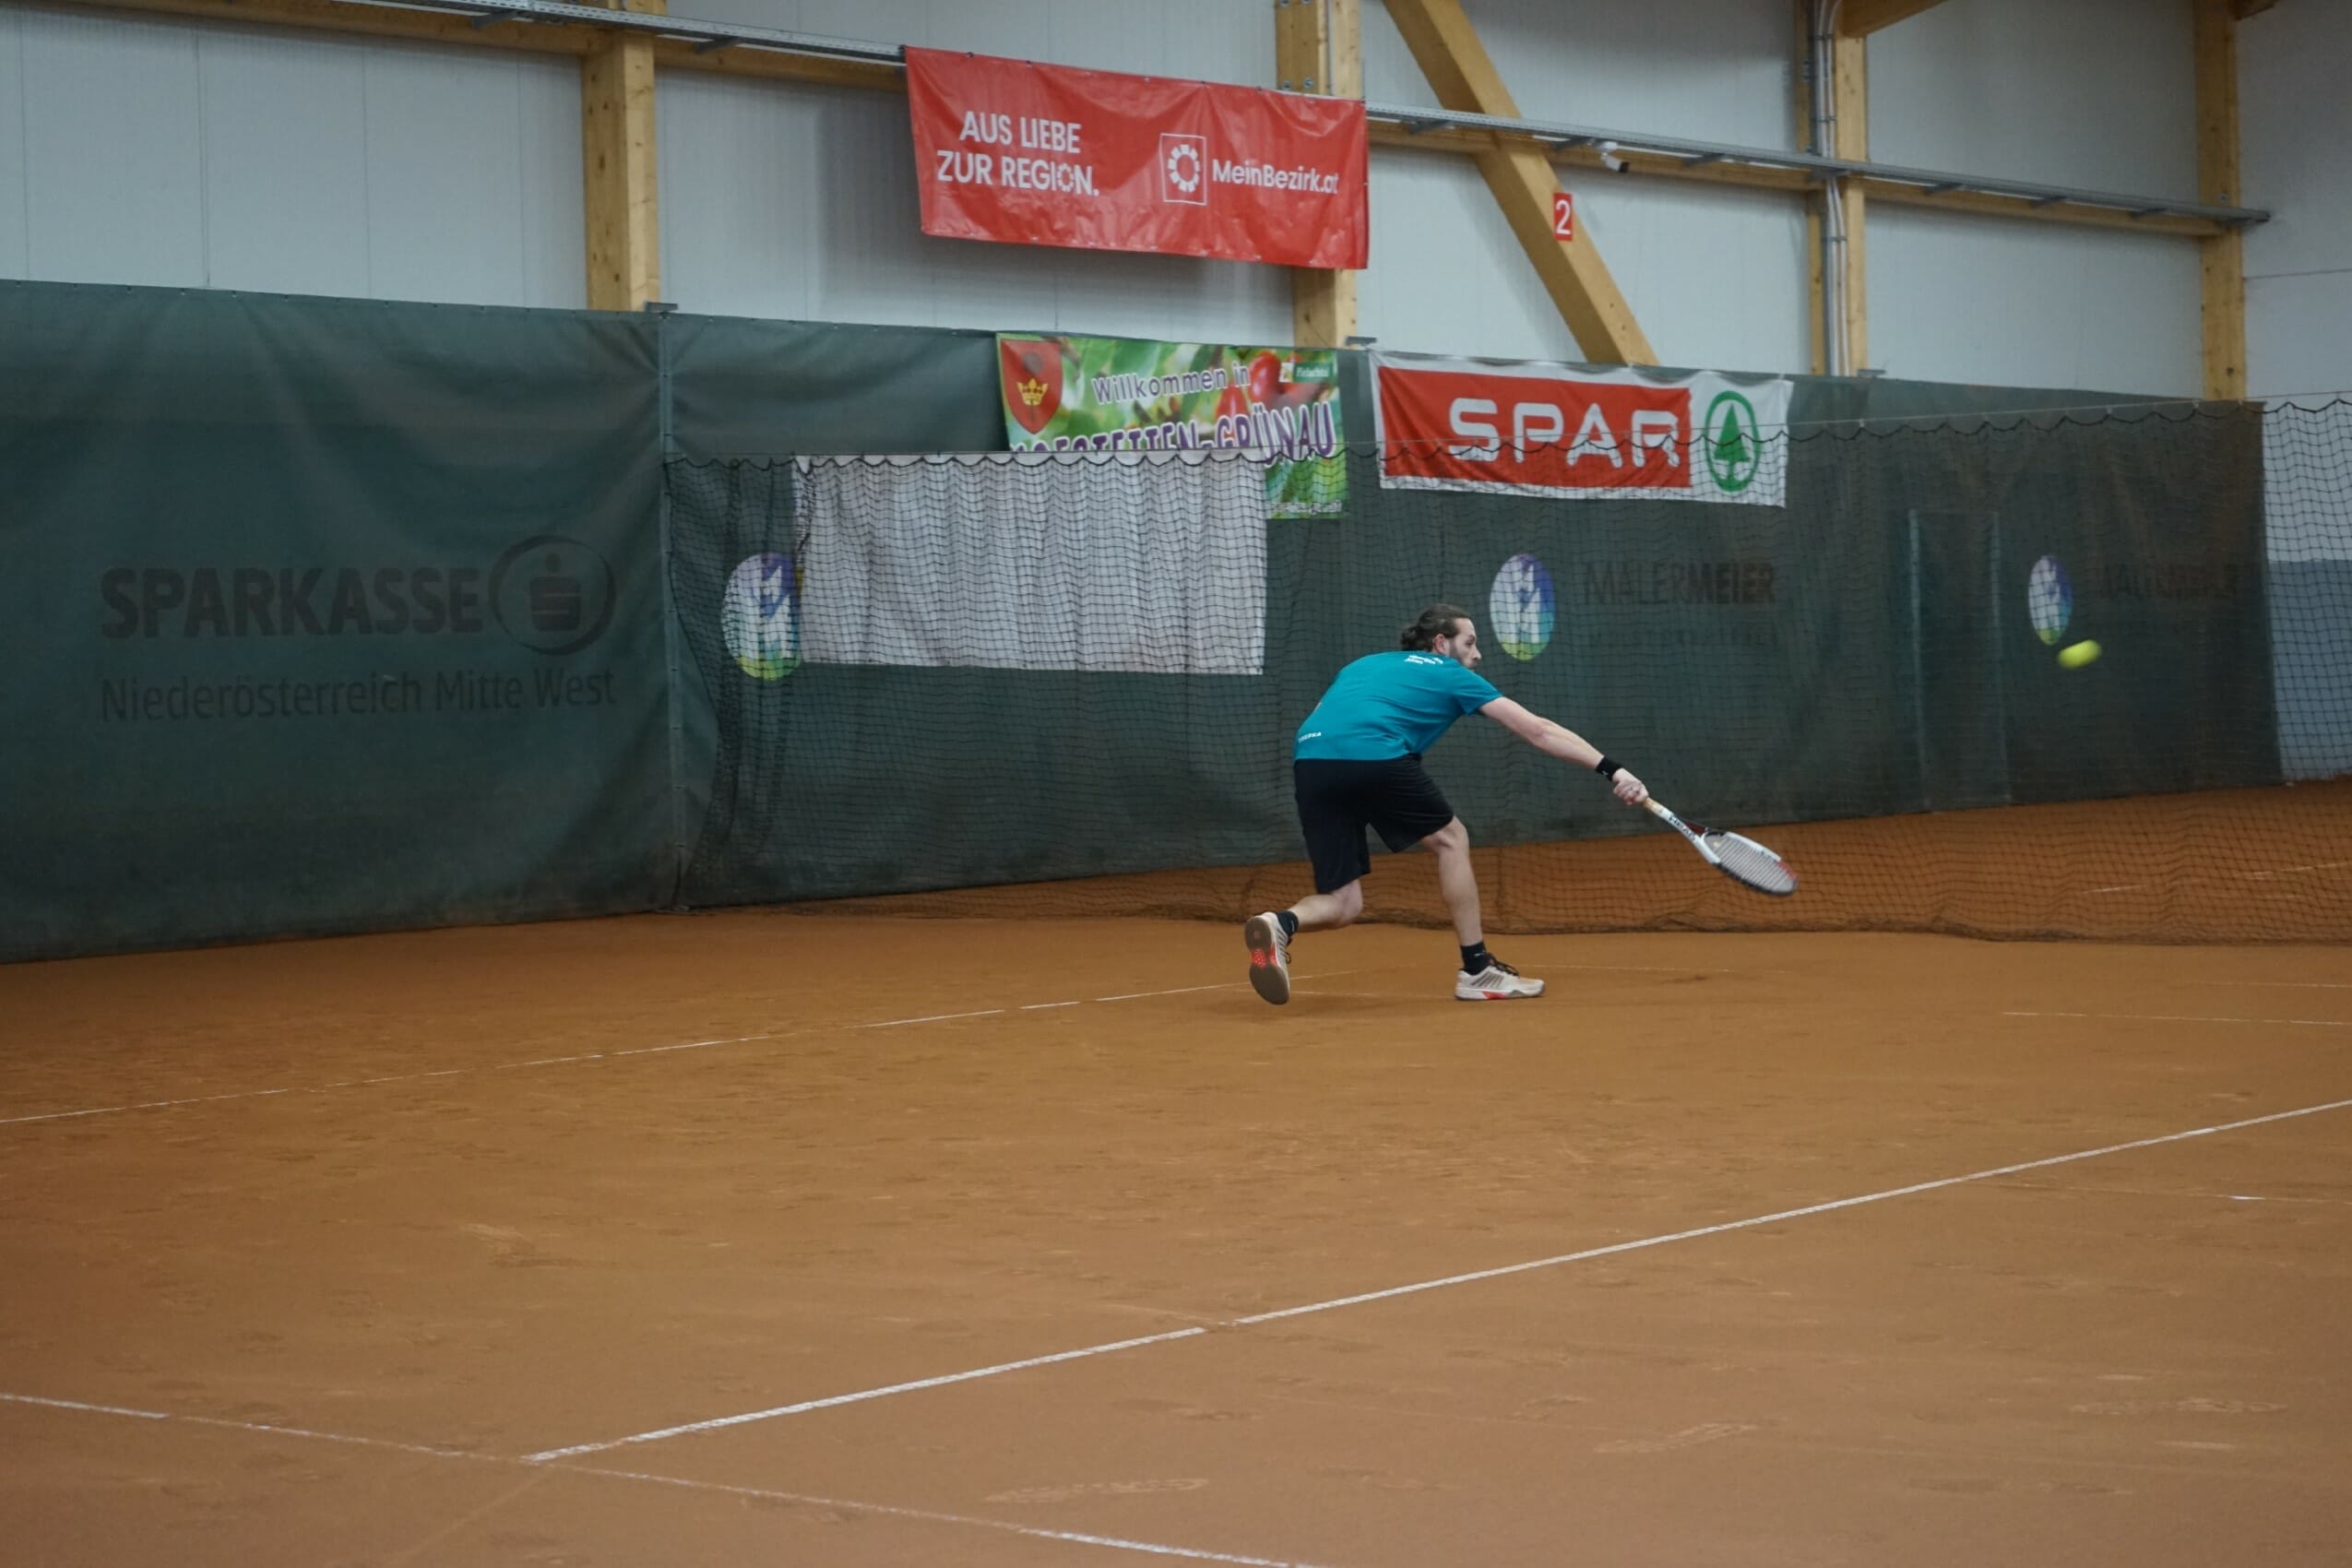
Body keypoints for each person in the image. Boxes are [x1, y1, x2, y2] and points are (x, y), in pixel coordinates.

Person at [1245, 603, 1649, 1005]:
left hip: (1311, 762)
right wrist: (1612, 770)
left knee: (1344, 903)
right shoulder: (1449, 672)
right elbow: (1539, 731)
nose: (1478, 654)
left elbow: (1322, 717)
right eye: (1469, 643)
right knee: (1452, 840)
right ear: (1441, 644)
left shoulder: (1361, 665)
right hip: (1374, 751)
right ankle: (1477, 970)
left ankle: (1280, 922)